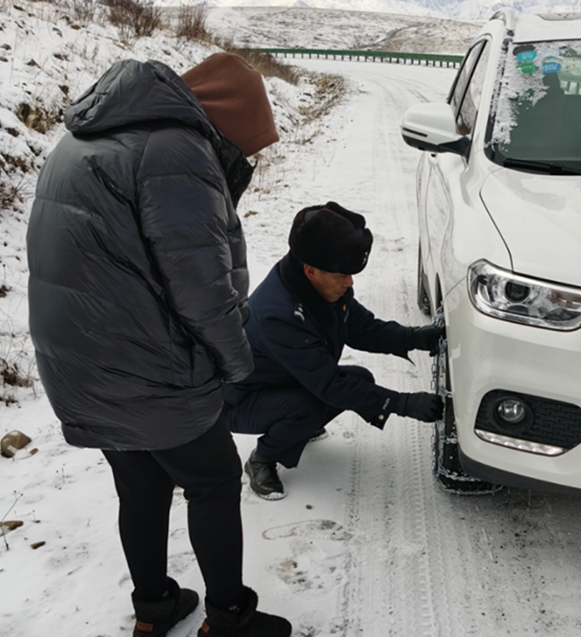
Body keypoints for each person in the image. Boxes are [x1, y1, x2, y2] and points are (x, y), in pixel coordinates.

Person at [27, 53, 291, 637]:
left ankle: (154, 609)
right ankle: (229, 618)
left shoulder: (87, 137)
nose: (245, 159)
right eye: (245, 146)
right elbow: (201, 288)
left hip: (78, 363)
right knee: (213, 481)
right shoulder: (176, 152)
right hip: (147, 365)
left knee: (140, 483)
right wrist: (235, 364)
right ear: (226, 122)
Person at [223, 201, 444, 500]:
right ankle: (262, 459)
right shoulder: (279, 316)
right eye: (342, 276)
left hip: (281, 382)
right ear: (311, 271)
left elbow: (363, 328)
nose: (349, 283)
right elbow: (329, 384)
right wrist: (403, 403)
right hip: (240, 400)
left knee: (361, 379)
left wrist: (413, 338)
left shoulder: (315, 283)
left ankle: (297, 426)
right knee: (311, 407)